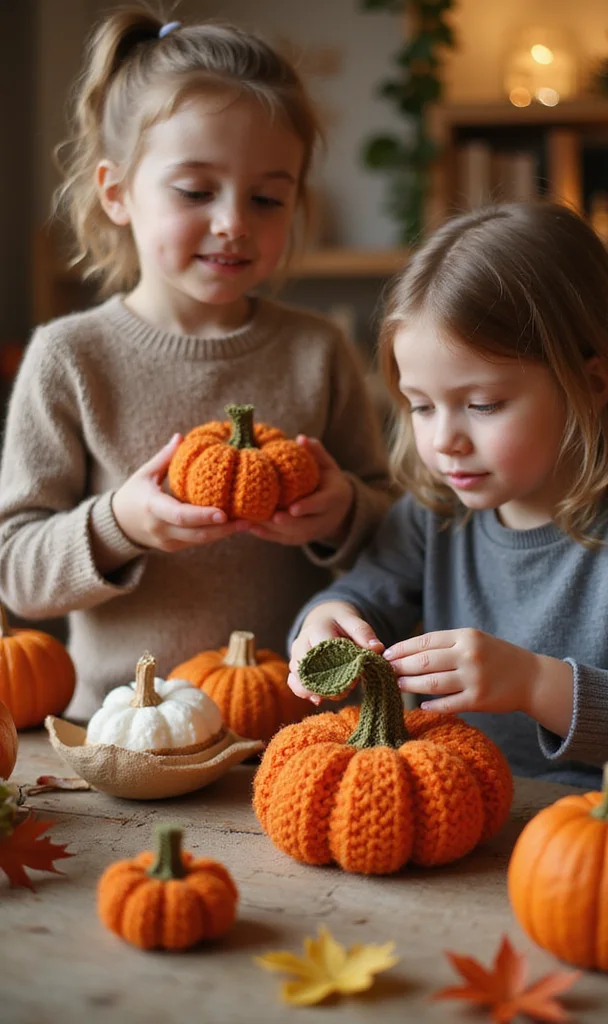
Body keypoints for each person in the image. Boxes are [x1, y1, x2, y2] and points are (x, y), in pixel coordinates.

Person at [0, 8, 391, 720]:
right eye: (196, 191)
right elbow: (16, 570)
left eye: (268, 197)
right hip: (122, 733)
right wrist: (121, 523)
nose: (234, 221)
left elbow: (395, 532)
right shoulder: (70, 357)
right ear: (116, 193)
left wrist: (343, 513)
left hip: (288, 729)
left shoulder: (317, 350)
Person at [288, 201, 608, 792]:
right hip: (447, 805)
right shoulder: (432, 516)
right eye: (421, 406)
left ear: (588, 385)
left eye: (482, 405)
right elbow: (359, 598)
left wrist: (536, 683)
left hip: (592, 837)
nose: (445, 439)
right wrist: (326, 620)